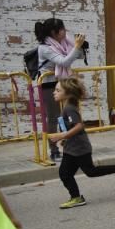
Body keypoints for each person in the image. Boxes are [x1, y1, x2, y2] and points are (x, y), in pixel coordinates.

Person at [48, 77, 115, 209]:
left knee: (85, 172)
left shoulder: (69, 109)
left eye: (57, 90)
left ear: (67, 93)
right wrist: (65, 139)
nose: (54, 92)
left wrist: (62, 135)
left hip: (79, 148)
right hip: (73, 147)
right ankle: (76, 197)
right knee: (69, 173)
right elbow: (72, 127)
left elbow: (79, 126)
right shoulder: (68, 107)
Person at [35, 18, 87, 162]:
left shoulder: (64, 42)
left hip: (63, 83)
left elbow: (80, 56)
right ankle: (54, 149)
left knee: (66, 115)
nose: (65, 32)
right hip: (49, 85)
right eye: (63, 29)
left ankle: (67, 144)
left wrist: (80, 46)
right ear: (54, 32)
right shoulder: (44, 48)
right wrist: (76, 47)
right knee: (53, 117)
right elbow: (64, 62)